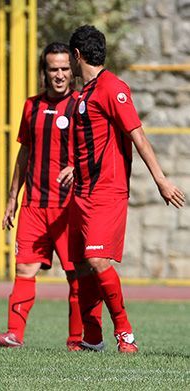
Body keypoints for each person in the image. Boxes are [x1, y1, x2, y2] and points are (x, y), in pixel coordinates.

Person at [68, 25, 185, 353]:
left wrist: (160, 179)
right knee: (82, 264)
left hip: (107, 192)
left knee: (98, 260)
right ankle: (93, 337)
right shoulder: (85, 94)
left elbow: (138, 135)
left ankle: (125, 333)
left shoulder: (112, 88)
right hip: (82, 192)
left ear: (77, 55)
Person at [0, 42, 87, 351]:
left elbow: (95, 151)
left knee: (76, 274)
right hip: (34, 205)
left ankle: (76, 341)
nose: (59, 75)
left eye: (65, 69)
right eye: (53, 69)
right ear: (44, 72)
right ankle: (14, 334)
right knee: (24, 269)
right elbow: (24, 152)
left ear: (73, 71)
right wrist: (13, 197)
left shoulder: (81, 105)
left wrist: (77, 167)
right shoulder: (32, 106)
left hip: (70, 206)